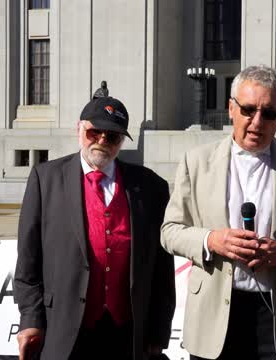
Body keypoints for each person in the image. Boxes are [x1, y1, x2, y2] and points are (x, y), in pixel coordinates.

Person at [160, 65, 276, 360]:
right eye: (248, 110)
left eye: (269, 113)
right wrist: (211, 241)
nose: (257, 122)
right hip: (214, 318)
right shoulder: (196, 161)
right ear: (231, 108)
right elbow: (170, 231)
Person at [14, 84, 175, 360]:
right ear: (79, 129)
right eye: (94, 132)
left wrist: (158, 334)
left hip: (127, 331)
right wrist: (31, 318)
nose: (101, 140)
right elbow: (28, 261)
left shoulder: (150, 187)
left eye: (112, 137)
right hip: (63, 329)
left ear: (122, 142)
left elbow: (162, 270)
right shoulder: (46, 179)